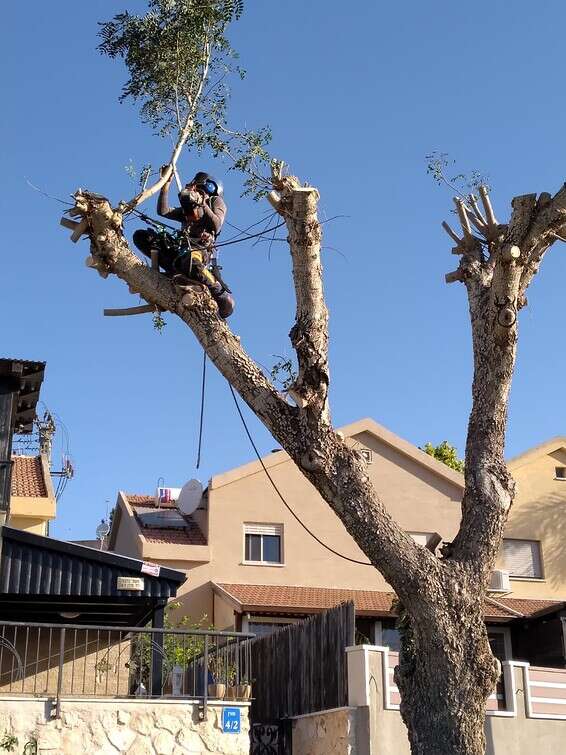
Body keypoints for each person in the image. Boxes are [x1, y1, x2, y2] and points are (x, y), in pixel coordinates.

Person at [133, 166, 234, 318]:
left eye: (199, 192)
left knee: (192, 263)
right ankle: (176, 275)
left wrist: (202, 203)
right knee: (142, 236)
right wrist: (165, 186)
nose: (196, 194)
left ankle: (218, 290)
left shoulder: (216, 201)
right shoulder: (188, 210)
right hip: (179, 252)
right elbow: (163, 211)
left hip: (199, 251)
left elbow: (216, 224)